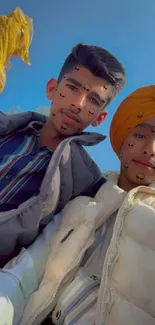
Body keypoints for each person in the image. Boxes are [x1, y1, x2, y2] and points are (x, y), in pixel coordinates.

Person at [3, 85, 155, 325]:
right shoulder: (81, 204)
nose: (150, 149)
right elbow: (23, 276)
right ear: (122, 139)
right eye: (140, 135)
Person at [0, 43, 125, 267]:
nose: (77, 104)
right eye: (72, 87)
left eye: (93, 100)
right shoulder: (7, 129)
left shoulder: (85, 179)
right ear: (52, 89)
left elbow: (124, 203)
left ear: (99, 117)